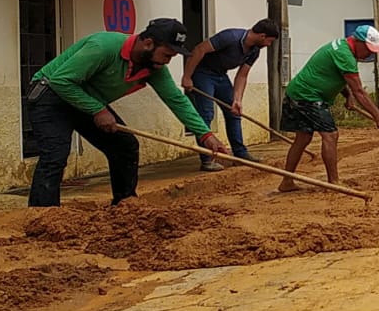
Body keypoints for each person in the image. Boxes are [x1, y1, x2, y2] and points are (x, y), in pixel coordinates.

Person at [25, 18, 229, 207]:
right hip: (50, 95)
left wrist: (206, 136)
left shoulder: (154, 67)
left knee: (124, 145)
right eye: (167, 54)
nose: (168, 61)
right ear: (148, 43)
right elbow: (61, 80)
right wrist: (98, 110)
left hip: (86, 99)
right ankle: (42, 215)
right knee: (55, 155)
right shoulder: (103, 47)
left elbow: (176, 100)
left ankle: (125, 205)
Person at [278, 24, 379, 192]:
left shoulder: (343, 48)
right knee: (330, 135)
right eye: (368, 49)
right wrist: (378, 116)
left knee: (303, 138)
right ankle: (334, 182)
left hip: (299, 92)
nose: (370, 54)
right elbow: (359, 91)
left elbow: (337, 77)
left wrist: (347, 96)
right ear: (357, 41)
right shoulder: (344, 55)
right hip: (307, 96)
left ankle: (287, 182)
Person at [180, 19, 280, 171]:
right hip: (203, 73)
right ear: (262, 36)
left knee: (233, 112)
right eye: (269, 41)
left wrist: (237, 99)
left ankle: (240, 154)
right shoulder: (230, 37)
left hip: (221, 75)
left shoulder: (254, 51)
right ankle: (207, 159)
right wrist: (187, 76)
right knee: (206, 114)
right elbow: (199, 49)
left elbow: (242, 76)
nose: (268, 45)